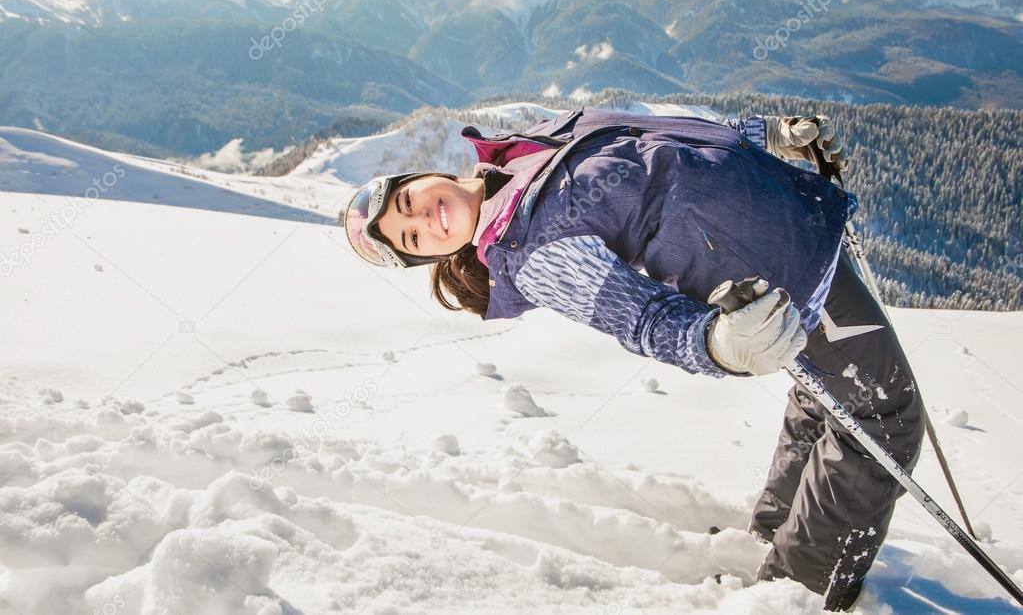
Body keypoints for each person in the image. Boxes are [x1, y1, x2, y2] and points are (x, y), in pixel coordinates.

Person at [342, 108, 924, 611]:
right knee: (883, 417)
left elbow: (656, 136)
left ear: (422, 177)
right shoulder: (531, 252)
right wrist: (717, 344)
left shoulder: (525, 150)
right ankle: (803, 592)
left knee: (825, 401)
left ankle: (774, 539)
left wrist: (763, 135)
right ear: (433, 256)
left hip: (793, 227)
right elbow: (640, 319)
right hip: (781, 282)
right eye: (412, 238)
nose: (422, 218)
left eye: (407, 201)